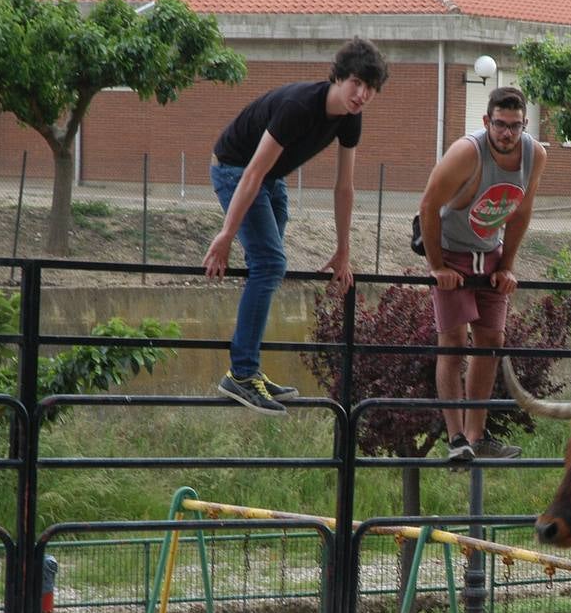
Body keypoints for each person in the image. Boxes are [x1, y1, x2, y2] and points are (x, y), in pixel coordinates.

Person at [204, 37, 389, 415]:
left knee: (267, 265)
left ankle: (249, 367)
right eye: (356, 83)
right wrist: (225, 235)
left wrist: (343, 250)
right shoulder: (299, 106)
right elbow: (252, 171)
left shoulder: (351, 120)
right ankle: (241, 374)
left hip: (272, 180)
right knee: (270, 263)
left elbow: (344, 187)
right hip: (234, 168)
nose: (362, 94)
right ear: (338, 77)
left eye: (370, 88)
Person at [418, 86, 547, 463]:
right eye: (501, 125)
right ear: (486, 121)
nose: (507, 134)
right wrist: (436, 266)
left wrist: (507, 266)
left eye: (516, 126)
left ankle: (478, 436)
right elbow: (428, 205)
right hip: (452, 251)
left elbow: (521, 212)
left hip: (489, 252)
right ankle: (456, 437)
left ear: (525, 125)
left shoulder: (533, 155)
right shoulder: (466, 153)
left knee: (491, 341)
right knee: (454, 342)